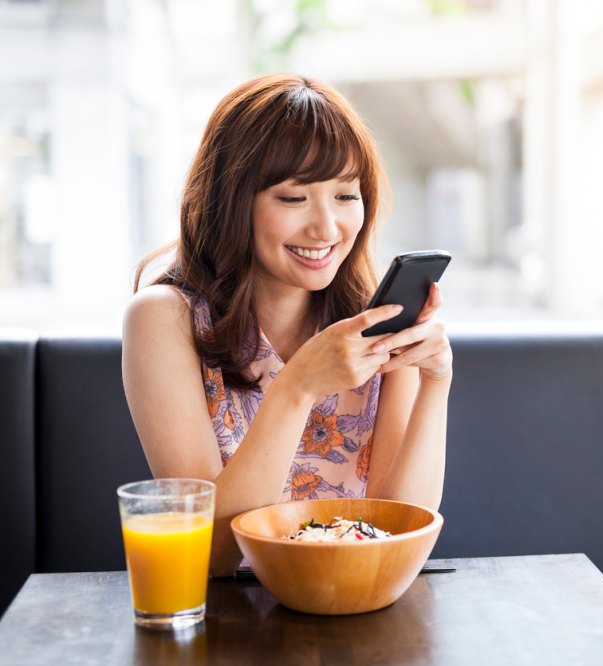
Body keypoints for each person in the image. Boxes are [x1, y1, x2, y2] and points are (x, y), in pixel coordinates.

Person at [122, 74, 451, 576]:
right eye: (293, 198)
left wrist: (436, 381)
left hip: (355, 602)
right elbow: (210, 554)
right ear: (232, 202)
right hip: (229, 620)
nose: (326, 228)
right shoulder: (164, 320)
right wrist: (297, 386)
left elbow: (400, 532)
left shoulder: (374, 322)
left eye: (346, 196)